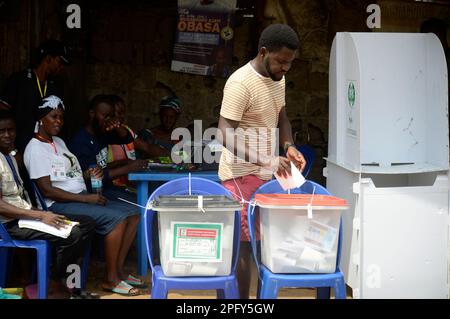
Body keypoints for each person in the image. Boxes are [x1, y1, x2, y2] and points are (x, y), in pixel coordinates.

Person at [217, 24, 307, 299]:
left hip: (266, 176)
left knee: (263, 243)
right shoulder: (240, 83)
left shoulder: (277, 79)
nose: (285, 68)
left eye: (289, 63)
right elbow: (224, 132)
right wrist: (266, 159)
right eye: (280, 61)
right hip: (239, 177)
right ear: (263, 52)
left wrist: (288, 146)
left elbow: (282, 117)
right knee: (246, 247)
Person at [23, 95, 143, 296]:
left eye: (61, 117)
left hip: (79, 195)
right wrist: (86, 199)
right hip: (57, 205)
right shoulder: (35, 148)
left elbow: (69, 173)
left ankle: (119, 272)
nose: (58, 121)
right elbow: (47, 190)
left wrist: (87, 174)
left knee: (133, 213)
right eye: (53, 116)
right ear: (41, 119)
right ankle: (110, 279)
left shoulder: (59, 142)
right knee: (118, 217)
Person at [0, 109, 96, 298]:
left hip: (24, 216)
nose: (7, 135)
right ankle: (55, 282)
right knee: (73, 233)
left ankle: (67, 283)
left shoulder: (10, 156)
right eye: (1, 131)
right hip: (9, 224)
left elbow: (17, 197)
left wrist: (36, 212)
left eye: (10, 130)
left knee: (87, 223)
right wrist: (41, 215)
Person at [1, 39, 69, 153]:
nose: (61, 67)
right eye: (60, 62)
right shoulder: (19, 80)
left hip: (45, 149)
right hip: (19, 148)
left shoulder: (54, 87)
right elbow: (3, 114)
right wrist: (11, 149)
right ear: (48, 59)